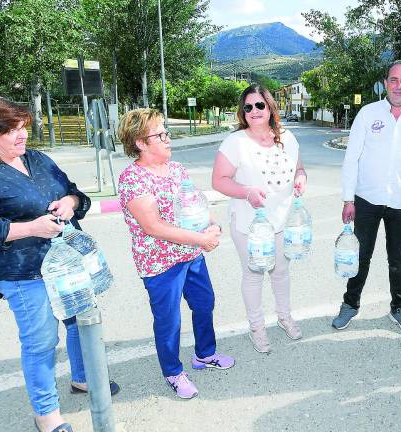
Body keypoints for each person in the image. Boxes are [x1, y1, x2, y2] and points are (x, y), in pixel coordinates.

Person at [0, 95, 119, 432]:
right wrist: (28, 228)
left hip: (67, 265)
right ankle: (47, 415)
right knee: (41, 342)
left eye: (23, 126)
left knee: (80, 321)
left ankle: (83, 378)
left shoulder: (37, 158)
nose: (23, 135)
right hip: (22, 272)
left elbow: (75, 193)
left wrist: (70, 202)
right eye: (12, 130)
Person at [117, 108, 233, 399]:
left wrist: (212, 224)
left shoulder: (178, 169)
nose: (168, 138)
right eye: (160, 134)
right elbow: (153, 226)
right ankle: (173, 372)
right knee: (169, 321)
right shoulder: (133, 179)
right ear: (141, 142)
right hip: (160, 263)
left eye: (165, 132)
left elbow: (194, 204)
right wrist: (200, 239)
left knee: (204, 303)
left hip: (191, 255)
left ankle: (205, 354)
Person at [331, 59, 401, 336]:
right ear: (385, 83)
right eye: (394, 80)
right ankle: (350, 303)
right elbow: (351, 158)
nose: (399, 86)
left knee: (398, 259)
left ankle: (399, 308)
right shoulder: (368, 114)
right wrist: (348, 199)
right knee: (362, 256)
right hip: (366, 200)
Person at [211, 84, 307, 353]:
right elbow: (218, 180)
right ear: (243, 112)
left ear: (270, 107)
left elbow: (300, 169)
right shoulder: (235, 142)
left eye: (259, 105)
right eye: (248, 107)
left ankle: (284, 317)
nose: (254, 111)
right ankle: (257, 327)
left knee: (281, 271)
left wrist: (300, 179)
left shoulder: (287, 137)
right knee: (254, 274)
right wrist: (246, 192)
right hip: (248, 224)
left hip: (283, 220)